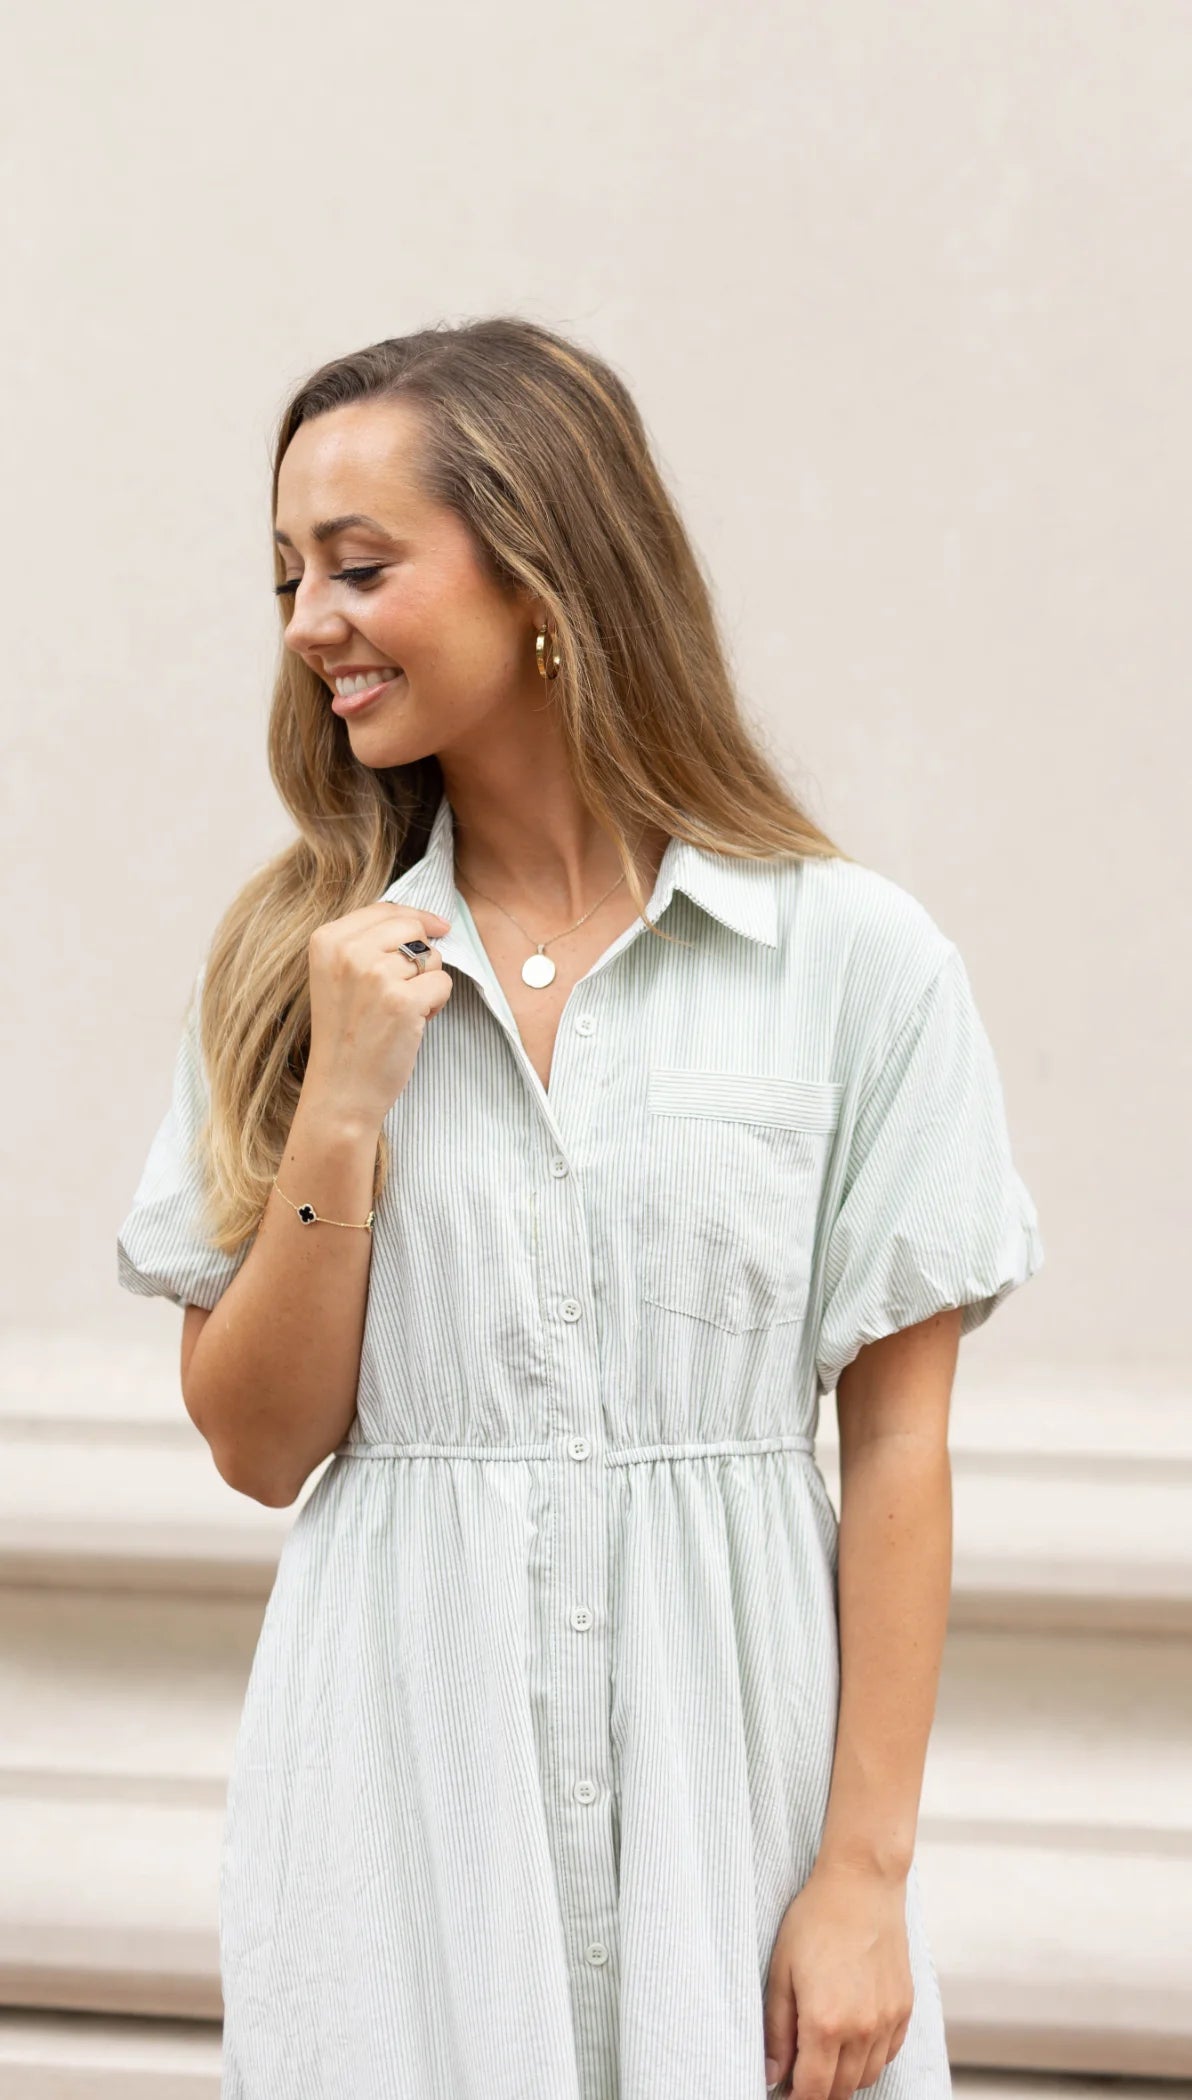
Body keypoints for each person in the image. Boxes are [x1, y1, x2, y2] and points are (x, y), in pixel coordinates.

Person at [116, 316, 1043, 2100]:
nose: (308, 622)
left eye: (359, 565)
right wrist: (344, 1106)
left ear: (540, 570)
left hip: (737, 1793)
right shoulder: (298, 967)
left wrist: (864, 1878)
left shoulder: (850, 963)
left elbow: (899, 1447)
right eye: (288, 575)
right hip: (398, 1808)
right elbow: (256, 1443)